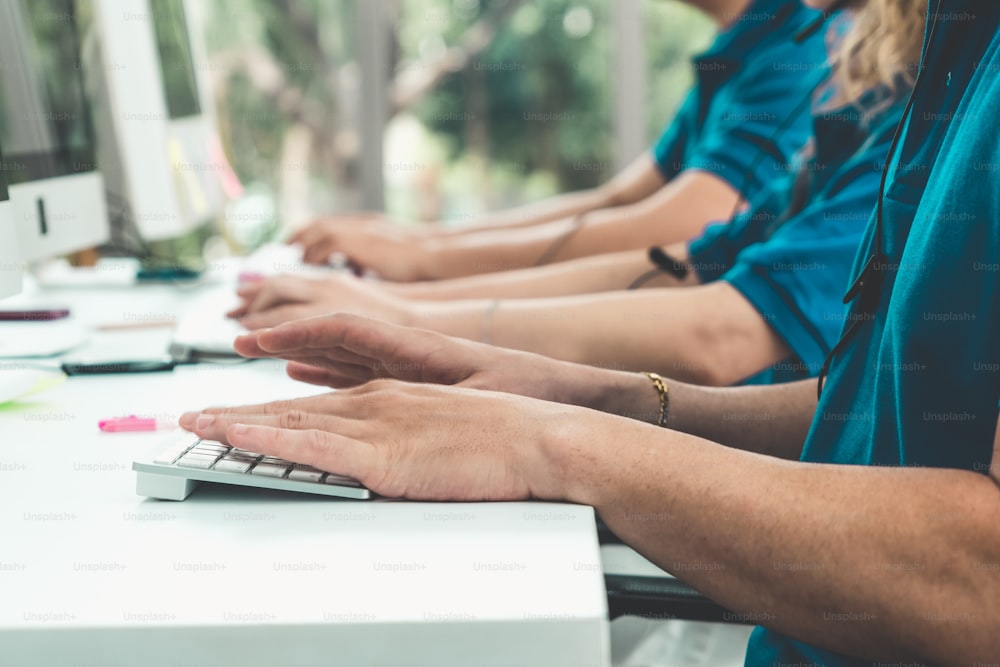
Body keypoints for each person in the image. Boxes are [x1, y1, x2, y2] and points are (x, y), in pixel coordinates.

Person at [181, 0, 1000, 663]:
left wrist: (551, 438)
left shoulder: (844, 61)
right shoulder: (951, 54)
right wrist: (580, 392)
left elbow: (981, 574)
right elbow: (871, 415)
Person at [229, 9, 920, 387]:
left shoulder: (810, 61)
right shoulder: (820, 72)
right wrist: (416, 271)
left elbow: (710, 303)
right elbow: (672, 246)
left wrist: (420, 296)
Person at [286, 0, 828, 281]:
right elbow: (616, 201)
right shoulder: (743, 48)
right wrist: (419, 244)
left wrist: (429, 261)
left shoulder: (798, 49)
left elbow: (685, 225)